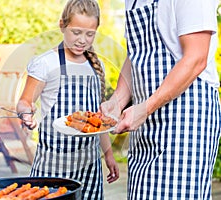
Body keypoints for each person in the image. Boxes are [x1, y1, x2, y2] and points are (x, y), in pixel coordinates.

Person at [100, 0, 221, 199]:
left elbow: (196, 57)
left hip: (186, 118)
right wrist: (118, 101)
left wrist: (146, 108)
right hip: (145, 120)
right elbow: (137, 54)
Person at [16, 0, 119, 199]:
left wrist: (108, 154)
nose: (82, 40)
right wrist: (26, 114)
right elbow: (25, 101)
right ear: (62, 26)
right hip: (53, 164)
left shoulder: (96, 67)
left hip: (89, 167)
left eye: (89, 34)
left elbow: (98, 120)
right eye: (76, 32)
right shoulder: (46, 63)